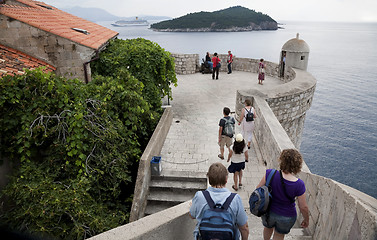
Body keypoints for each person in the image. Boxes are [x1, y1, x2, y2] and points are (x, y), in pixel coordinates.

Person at [255, 149, 310, 240]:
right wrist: (306, 219)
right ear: (297, 165)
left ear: (281, 160)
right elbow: (303, 207)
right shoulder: (299, 184)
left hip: (268, 211)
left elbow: (258, 189)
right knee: (279, 234)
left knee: (268, 228)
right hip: (287, 215)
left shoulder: (270, 173)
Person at [189, 162, 249, 240]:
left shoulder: (200, 196)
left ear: (209, 179)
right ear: (226, 179)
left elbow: (192, 215)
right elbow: (244, 227)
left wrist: (191, 206)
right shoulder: (235, 199)